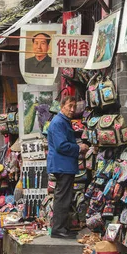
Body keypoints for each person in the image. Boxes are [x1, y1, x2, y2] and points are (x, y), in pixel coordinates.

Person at [47, 95, 88, 239]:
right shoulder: (59, 122)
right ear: (62, 106)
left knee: (64, 196)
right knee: (62, 197)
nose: (72, 109)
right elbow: (61, 145)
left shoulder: (63, 121)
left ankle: (62, 227)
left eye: (74, 107)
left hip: (64, 165)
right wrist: (79, 147)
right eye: (69, 106)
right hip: (62, 165)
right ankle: (58, 229)